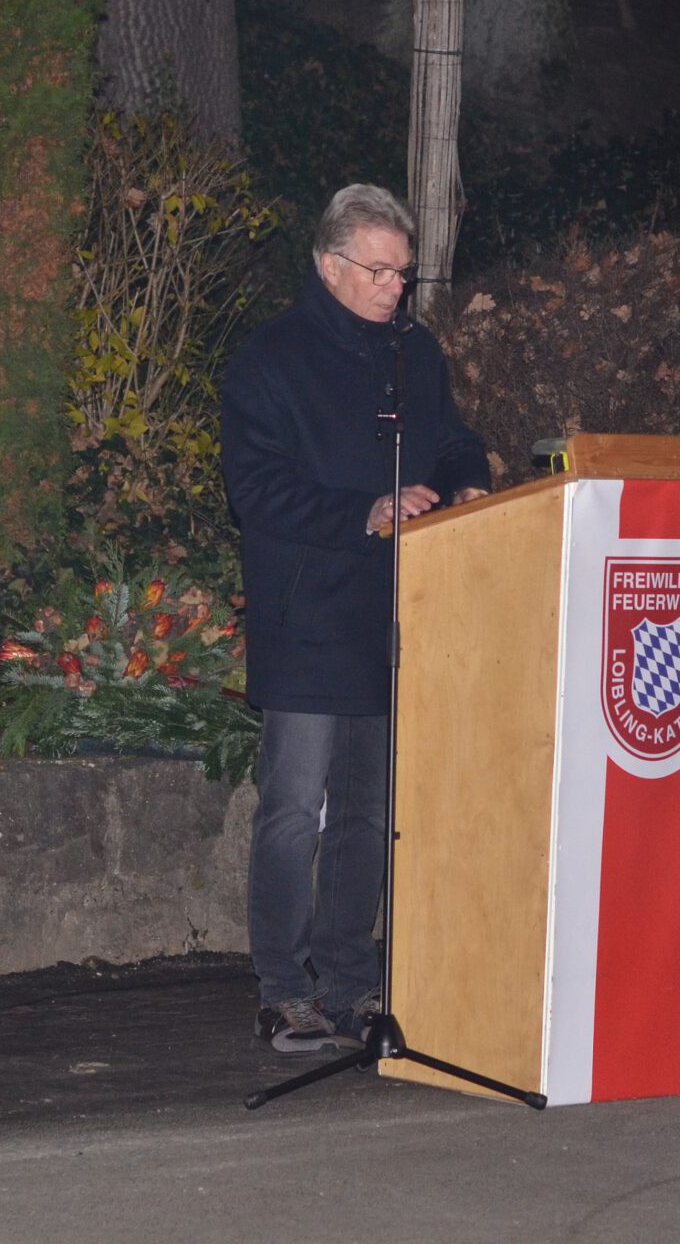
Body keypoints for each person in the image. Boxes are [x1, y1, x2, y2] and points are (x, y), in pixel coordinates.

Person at [220, 185, 491, 1053]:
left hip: (392, 616)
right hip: (307, 615)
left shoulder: (414, 351)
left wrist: (468, 482)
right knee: (294, 810)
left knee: (369, 816)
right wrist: (364, 512)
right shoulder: (270, 359)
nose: (394, 288)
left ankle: (348, 986)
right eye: (378, 271)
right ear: (329, 265)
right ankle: (282, 990)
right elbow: (255, 492)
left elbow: (450, 440)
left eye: (403, 274)